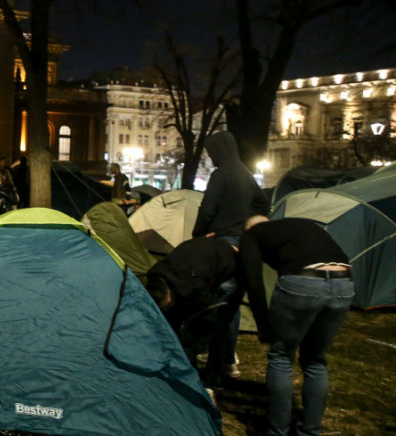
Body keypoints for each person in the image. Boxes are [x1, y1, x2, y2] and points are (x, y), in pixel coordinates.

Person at [238, 216, 353, 436]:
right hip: (344, 282)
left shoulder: (252, 235)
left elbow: (253, 282)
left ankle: (277, 431)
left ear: (248, 228)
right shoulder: (298, 225)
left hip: (303, 281)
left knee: (281, 356)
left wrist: (263, 325)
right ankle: (310, 431)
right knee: (315, 360)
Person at [192, 130, 270, 378]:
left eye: (211, 152)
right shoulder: (246, 175)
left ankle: (213, 357)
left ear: (219, 151)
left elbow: (207, 209)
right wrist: (246, 226)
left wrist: (199, 234)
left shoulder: (220, 175)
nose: (211, 157)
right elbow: (263, 205)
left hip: (222, 243)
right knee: (232, 304)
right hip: (242, 245)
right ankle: (228, 359)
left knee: (216, 302)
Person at [145, 237, 242, 394]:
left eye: (167, 304)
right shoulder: (155, 276)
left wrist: (191, 350)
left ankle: (211, 383)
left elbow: (208, 325)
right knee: (177, 319)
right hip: (200, 257)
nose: (168, 307)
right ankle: (184, 370)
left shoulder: (196, 286)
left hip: (231, 267)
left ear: (168, 296)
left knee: (219, 326)